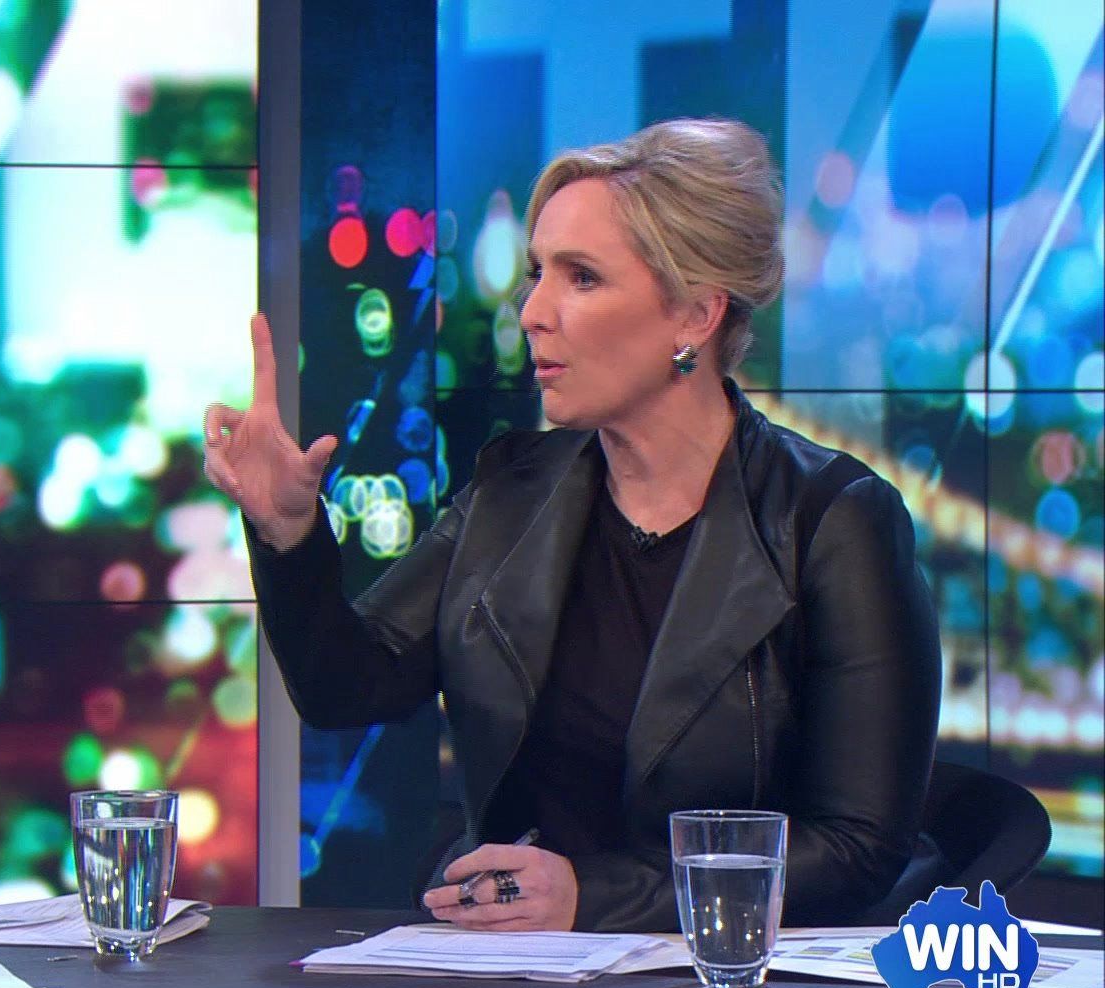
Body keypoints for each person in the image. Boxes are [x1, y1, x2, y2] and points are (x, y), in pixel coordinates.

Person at [204, 118, 939, 933]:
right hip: (514, 975)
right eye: (536, 274)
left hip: (726, 987)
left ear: (695, 315)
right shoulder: (510, 493)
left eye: (581, 278)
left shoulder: (834, 521)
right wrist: (287, 532)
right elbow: (345, 684)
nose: (532, 313)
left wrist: (592, 898)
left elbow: (859, 848)